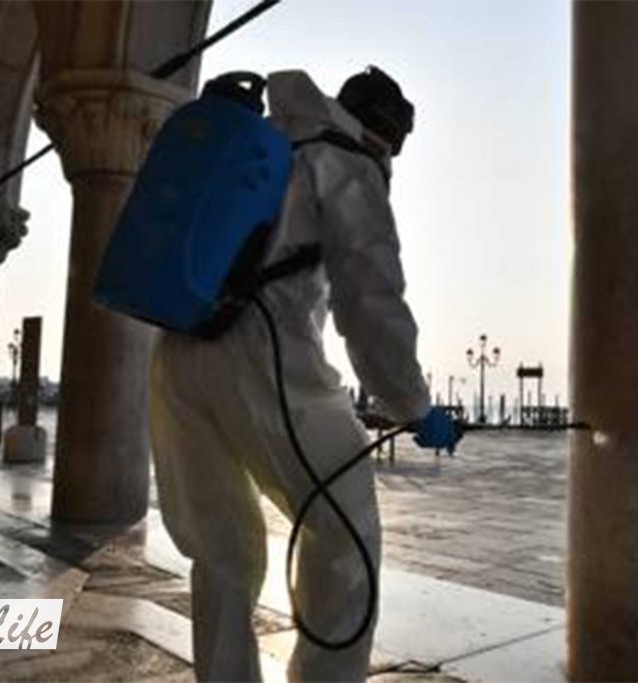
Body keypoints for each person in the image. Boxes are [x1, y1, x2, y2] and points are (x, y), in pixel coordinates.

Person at [149, 67, 459, 682]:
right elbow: (371, 302)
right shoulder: (347, 161)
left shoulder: (264, 140)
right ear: (385, 137)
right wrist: (416, 407)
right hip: (262, 355)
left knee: (221, 552)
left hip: (175, 352)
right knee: (347, 532)